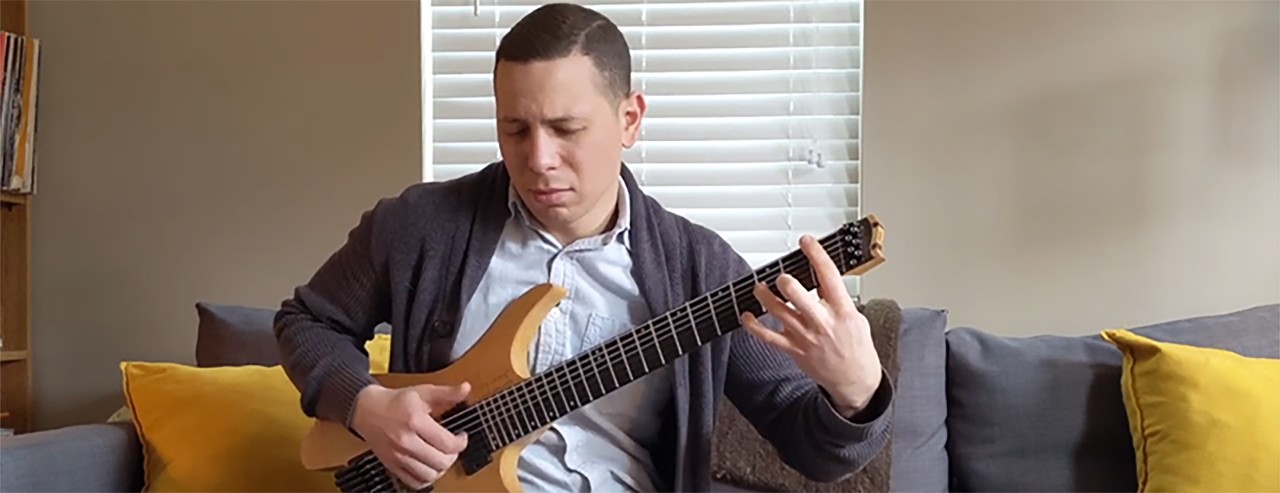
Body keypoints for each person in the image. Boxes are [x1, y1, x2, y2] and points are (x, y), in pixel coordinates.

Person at [274, 3, 894, 492]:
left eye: (567, 129)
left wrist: (857, 391)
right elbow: (306, 322)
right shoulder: (417, 226)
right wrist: (366, 405)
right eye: (514, 129)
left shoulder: (699, 270)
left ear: (630, 120)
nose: (538, 160)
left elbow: (813, 449)